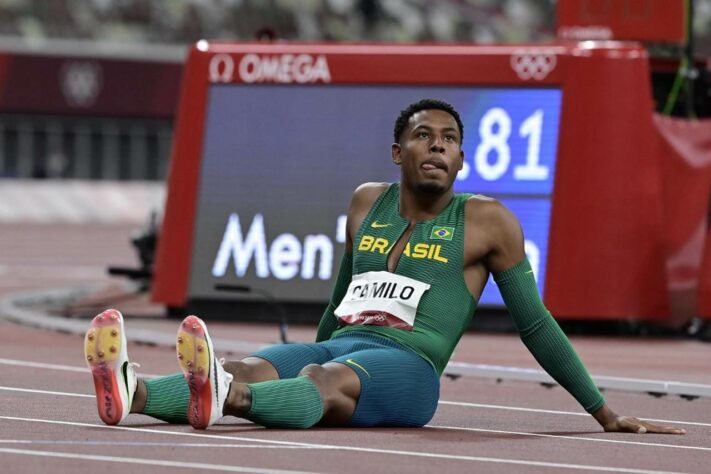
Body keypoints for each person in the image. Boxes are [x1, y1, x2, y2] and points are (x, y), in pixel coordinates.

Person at [84, 99, 686, 434]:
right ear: (399, 153)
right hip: (347, 342)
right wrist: (316, 350)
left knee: (320, 385)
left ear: (461, 157)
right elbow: (343, 290)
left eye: (450, 139)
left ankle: (228, 400)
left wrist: (601, 410)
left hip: (410, 367)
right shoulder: (367, 202)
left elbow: (536, 324)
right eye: (425, 137)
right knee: (251, 364)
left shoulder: (488, 223)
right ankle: (131, 391)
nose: (439, 147)